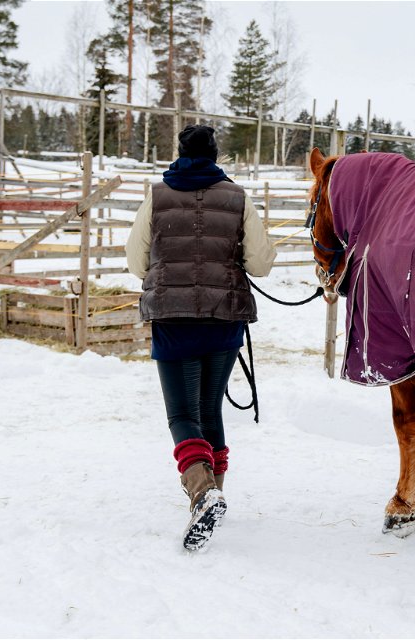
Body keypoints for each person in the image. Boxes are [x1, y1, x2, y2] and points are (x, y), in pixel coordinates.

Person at [127, 125, 276, 551]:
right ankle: (214, 491)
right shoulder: (236, 196)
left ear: (179, 153)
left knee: (181, 414)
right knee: (209, 408)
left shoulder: (156, 196)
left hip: (173, 319)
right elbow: (260, 264)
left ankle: (202, 491)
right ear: (214, 154)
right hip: (223, 318)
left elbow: (137, 261)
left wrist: (166, 275)